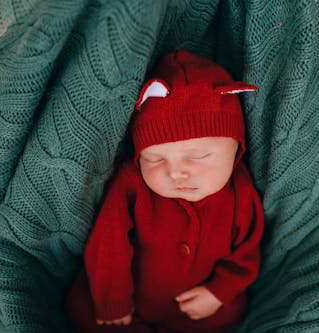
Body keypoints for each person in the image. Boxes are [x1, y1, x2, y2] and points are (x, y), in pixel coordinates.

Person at [65, 50, 264, 333]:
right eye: (155, 159)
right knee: (85, 312)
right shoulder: (132, 185)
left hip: (197, 307)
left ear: (236, 150)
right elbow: (108, 245)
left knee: (229, 314)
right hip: (129, 306)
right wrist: (113, 300)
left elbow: (247, 250)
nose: (176, 172)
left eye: (197, 157)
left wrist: (219, 291)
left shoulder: (239, 192)